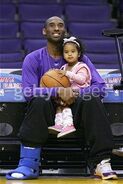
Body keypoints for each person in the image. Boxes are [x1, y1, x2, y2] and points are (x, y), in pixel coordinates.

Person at [6, 16, 117, 180]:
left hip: (77, 112)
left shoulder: (81, 59)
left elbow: (100, 87)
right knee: (38, 101)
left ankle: (102, 163)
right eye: (52, 25)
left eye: (60, 25)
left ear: (64, 31)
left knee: (92, 99)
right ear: (45, 31)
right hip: (50, 114)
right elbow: (28, 92)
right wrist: (57, 91)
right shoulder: (33, 58)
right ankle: (28, 163)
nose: (56, 28)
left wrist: (74, 92)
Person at [48, 36, 92, 138]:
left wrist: (67, 74)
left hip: (80, 93)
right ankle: (59, 124)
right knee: (59, 105)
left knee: (66, 106)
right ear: (63, 54)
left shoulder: (82, 66)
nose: (70, 54)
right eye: (66, 52)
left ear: (79, 53)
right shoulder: (63, 67)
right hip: (68, 92)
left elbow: (81, 80)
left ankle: (69, 125)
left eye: (73, 51)